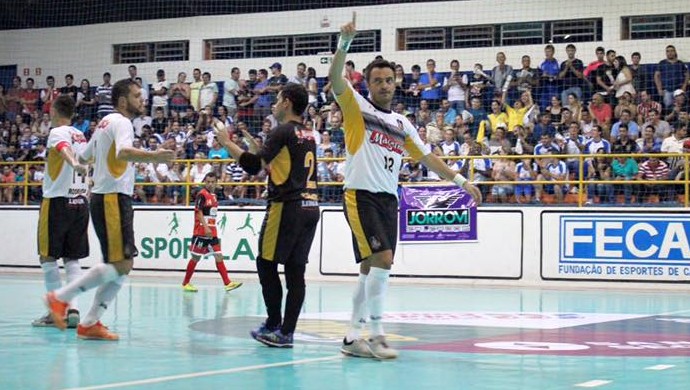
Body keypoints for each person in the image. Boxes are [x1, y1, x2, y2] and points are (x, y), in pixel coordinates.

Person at [329, 13, 482, 360]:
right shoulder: (357, 108)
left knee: (369, 268)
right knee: (382, 260)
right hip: (359, 196)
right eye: (377, 80)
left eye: (388, 79)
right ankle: (378, 335)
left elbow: (428, 157)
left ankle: (352, 339)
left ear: (396, 83)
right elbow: (336, 79)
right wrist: (344, 44)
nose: (384, 84)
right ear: (369, 84)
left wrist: (460, 180)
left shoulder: (401, 124)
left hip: (388, 199)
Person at [45, 79, 175, 340]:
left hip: (105, 198)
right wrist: (155, 156)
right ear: (123, 101)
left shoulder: (104, 124)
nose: (143, 99)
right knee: (121, 264)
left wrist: (94, 170)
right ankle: (62, 299)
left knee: (120, 265)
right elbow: (124, 152)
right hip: (113, 199)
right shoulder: (123, 122)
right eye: (138, 96)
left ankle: (90, 321)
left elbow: (84, 158)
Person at [215, 82, 319, 349]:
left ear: (286, 103)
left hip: (286, 207)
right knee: (296, 272)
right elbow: (278, 164)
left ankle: (274, 324)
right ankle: (286, 332)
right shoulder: (307, 134)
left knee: (265, 264)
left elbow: (252, 166)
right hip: (310, 207)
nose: (273, 103)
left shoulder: (281, 131)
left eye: (277, 98)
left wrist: (227, 143)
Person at [33, 95, 90, 328]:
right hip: (80, 201)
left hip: (57, 201)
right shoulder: (81, 135)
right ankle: (74, 307)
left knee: (47, 257)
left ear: (55, 110)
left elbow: (62, 149)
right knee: (72, 258)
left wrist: (73, 163)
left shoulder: (58, 132)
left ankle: (56, 311)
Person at [181, 172, 242, 292]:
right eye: (208, 182)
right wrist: (206, 227)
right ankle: (185, 283)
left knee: (219, 256)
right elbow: (198, 212)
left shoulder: (213, 195)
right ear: (205, 182)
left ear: (216, 183)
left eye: (213, 182)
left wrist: (211, 229)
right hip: (201, 232)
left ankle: (227, 283)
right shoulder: (201, 195)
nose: (210, 184)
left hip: (212, 233)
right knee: (195, 258)